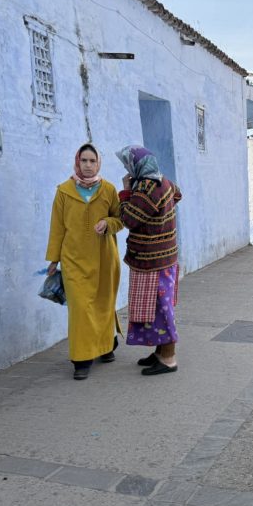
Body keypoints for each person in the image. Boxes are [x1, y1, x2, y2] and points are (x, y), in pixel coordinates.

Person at [45, 143, 123, 380]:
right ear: (77, 162)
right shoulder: (64, 191)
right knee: (80, 309)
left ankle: (107, 345)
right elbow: (57, 228)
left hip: (104, 259)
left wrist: (108, 224)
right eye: (84, 161)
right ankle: (81, 359)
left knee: (102, 304)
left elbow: (120, 219)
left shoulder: (108, 190)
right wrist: (53, 260)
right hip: (74, 260)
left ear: (98, 163)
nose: (88, 166)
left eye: (92, 161)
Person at [116, 145, 183, 376]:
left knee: (161, 310)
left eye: (128, 164)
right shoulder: (162, 181)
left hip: (153, 261)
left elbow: (128, 219)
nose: (127, 168)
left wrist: (126, 192)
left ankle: (169, 359)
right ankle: (159, 352)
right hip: (164, 258)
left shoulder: (146, 187)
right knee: (156, 309)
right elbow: (178, 194)